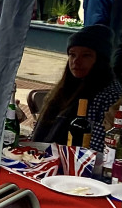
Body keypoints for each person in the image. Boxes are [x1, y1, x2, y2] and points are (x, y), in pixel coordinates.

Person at [32, 24, 122, 153]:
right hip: (41, 157)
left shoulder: (108, 95)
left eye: (86, 55)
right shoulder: (66, 87)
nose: (76, 61)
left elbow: (97, 148)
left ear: (100, 60)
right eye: (72, 55)